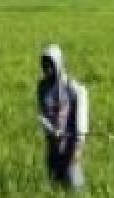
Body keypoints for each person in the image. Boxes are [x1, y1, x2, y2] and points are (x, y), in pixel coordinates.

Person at [37, 44, 89, 190]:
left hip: (71, 145)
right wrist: (50, 129)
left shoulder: (75, 88)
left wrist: (78, 147)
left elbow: (81, 123)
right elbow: (42, 113)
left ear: (59, 63)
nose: (47, 69)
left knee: (74, 183)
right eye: (45, 64)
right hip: (53, 145)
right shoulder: (42, 87)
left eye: (51, 64)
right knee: (54, 182)